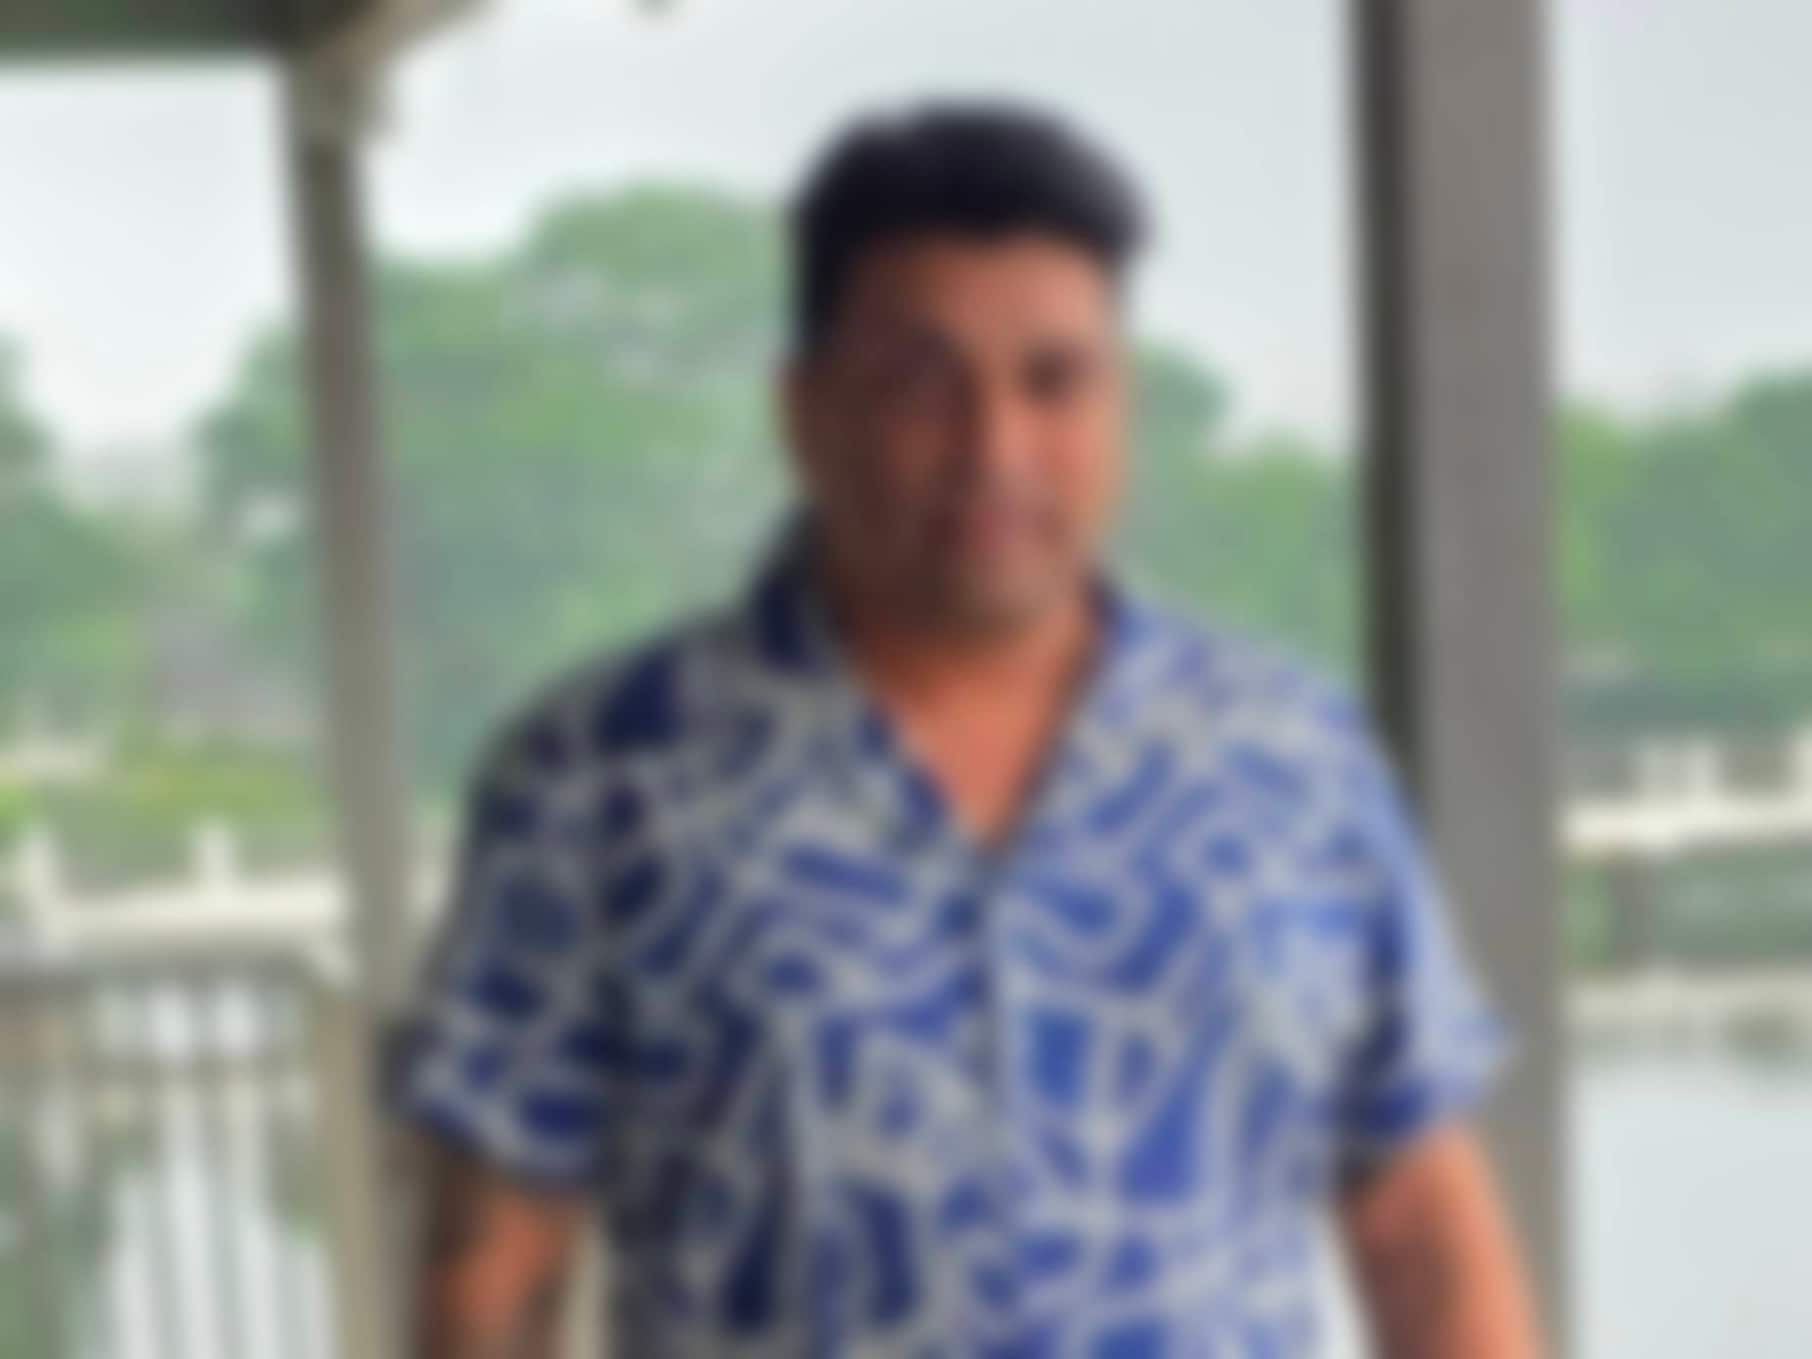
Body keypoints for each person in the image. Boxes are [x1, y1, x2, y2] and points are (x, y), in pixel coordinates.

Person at [393, 98, 1543, 1358]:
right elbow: (494, 1271)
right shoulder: (599, 781)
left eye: (1054, 383)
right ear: (805, 411)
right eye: (921, 386)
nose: (996, 449)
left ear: (1120, 406)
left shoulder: (1293, 765)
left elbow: (1420, 1230)